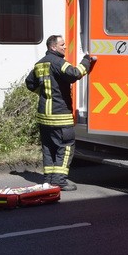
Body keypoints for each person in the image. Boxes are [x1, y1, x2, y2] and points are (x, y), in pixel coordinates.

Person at [25, 34, 96, 191]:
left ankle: (49, 179)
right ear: (53, 47)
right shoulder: (58, 62)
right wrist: (87, 60)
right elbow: (75, 74)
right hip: (60, 116)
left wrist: (45, 93)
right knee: (66, 147)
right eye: (62, 44)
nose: (65, 47)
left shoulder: (40, 64)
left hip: (44, 116)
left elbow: (30, 83)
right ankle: (60, 181)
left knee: (48, 148)